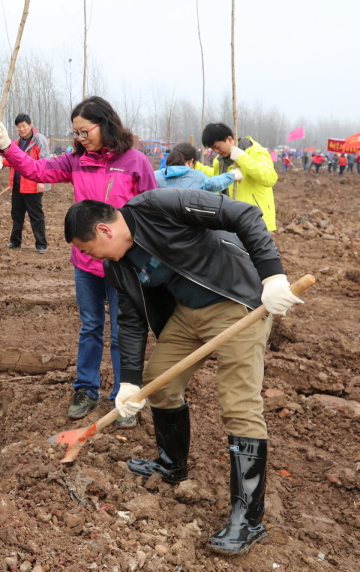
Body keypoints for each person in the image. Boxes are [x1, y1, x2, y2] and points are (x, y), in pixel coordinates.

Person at [64, 191, 302, 555]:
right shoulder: (117, 265)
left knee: (239, 406)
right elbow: (130, 319)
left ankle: (249, 519)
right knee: (160, 385)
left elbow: (245, 215)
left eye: (87, 248)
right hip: (187, 314)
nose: (88, 258)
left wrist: (272, 277)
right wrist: (129, 381)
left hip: (236, 303)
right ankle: (171, 464)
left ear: (103, 230)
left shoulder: (158, 207)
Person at [0, 96, 157, 425]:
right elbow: (36, 170)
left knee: (124, 330)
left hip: (124, 263)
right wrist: (9, 146)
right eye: (76, 134)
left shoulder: (135, 162)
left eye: (84, 132)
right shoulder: (75, 162)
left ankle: (126, 395)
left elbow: (152, 209)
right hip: (86, 263)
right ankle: (85, 389)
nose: (80, 139)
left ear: (104, 124)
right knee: (91, 327)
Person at [198, 126, 278, 232]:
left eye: (217, 147)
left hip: (255, 221)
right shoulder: (220, 160)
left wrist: (242, 158)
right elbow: (216, 177)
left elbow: (270, 177)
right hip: (230, 220)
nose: (216, 151)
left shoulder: (255, 151)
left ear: (229, 139)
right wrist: (195, 166)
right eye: (213, 149)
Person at [0, 113, 49, 253]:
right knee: (16, 215)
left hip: (33, 184)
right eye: (18, 127)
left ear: (30, 126)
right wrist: (1, 161)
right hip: (17, 184)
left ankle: (41, 244)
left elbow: (45, 160)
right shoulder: (17, 142)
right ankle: (15, 241)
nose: (21, 129)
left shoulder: (39, 140)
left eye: (23, 126)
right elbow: (13, 160)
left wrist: (42, 181)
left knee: (36, 215)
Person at [154, 143, 240, 192]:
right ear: (190, 161)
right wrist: (233, 175)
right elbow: (216, 183)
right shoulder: (197, 177)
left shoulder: (155, 176)